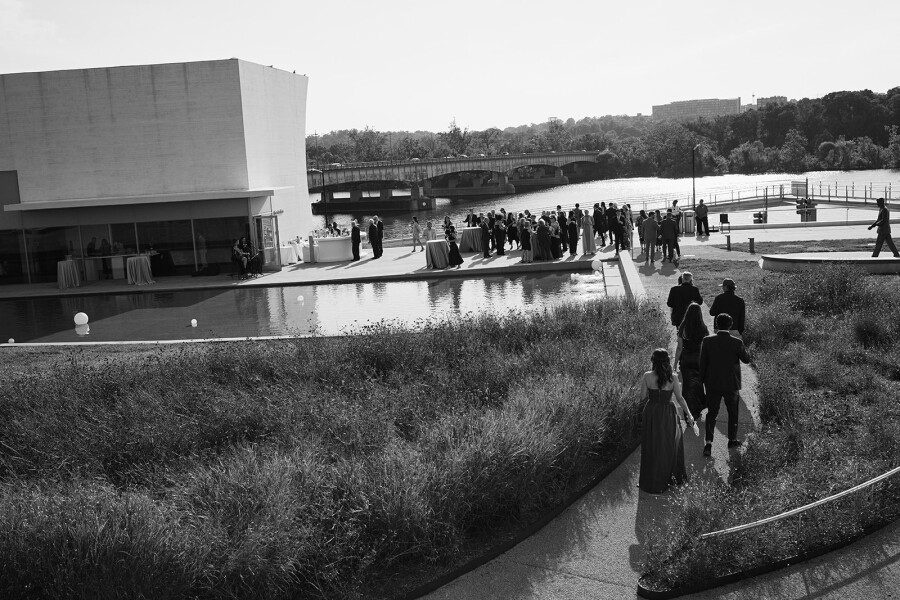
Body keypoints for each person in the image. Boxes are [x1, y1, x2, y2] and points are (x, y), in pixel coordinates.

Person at [638, 348, 696, 494]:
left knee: (651, 445)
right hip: (667, 413)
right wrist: (689, 414)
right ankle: (669, 477)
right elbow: (680, 398)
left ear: (653, 360)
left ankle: (651, 479)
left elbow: (642, 398)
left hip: (651, 412)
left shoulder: (647, 376)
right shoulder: (673, 377)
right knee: (668, 445)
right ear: (667, 361)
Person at [699, 313, 751, 457]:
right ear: (730, 325)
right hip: (731, 384)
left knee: (712, 413)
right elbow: (746, 360)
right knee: (733, 413)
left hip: (712, 383)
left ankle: (708, 443)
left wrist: (702, 382)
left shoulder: (707, 341)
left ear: (716, 324)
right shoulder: (736, 342)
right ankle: (732, 439)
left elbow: (702, 364)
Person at [673, 303, 709, 419]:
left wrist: (674, 364)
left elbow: (679, 347)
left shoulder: (683, 327)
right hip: (699, 360)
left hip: (686, 360)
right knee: (698, 385)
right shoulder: (703, 328)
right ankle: (698, 408)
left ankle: (688, 413)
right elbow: (705, 346)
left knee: (687, 386)